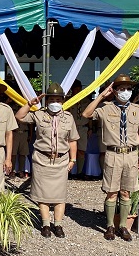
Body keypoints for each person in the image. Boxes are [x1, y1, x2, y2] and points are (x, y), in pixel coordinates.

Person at [82, 74, 139, 242]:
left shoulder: (137, 109)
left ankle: (123, 226)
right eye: (121, 89)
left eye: (128, 89)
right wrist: (101, 96)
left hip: (131, 155)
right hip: (113, 154)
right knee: (111, 192)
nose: (125, 92)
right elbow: (86, 114)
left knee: (126, 192)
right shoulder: (106, 108)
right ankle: (110, 225)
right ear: (115, 91)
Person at [16, 83, 79, 238]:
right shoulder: (39, 114)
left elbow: (72, 140)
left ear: (63, 101)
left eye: (58, 99)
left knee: (59, 195)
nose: (55, 103)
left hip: (61, 160)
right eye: (51, 100)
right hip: (42, 159)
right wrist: (30, 103)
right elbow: (20, 116)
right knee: (42, 194)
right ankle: (45, 223)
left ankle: (57, 224)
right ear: (47, 101)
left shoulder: (68, 118)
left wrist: (73, 159)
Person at [67, 79, 93, 179]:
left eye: (79, 89)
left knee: (81, 150)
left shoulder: (86, 101)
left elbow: (89, 116)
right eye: (75, 89)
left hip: (82, 128)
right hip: (71, 128)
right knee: (70, 150)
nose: (77, 91)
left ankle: (79, 172)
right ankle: (69, 172)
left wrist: (90, 128)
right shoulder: (68, 101)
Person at [7, 95, 32, 179]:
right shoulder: (11, 107)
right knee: (13, 154)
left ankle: (21, 170)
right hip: (14, 133)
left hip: (24, 133)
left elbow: (30, 123)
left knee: (23, 153)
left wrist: (30, 134)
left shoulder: (26, 108)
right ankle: (12, 171)